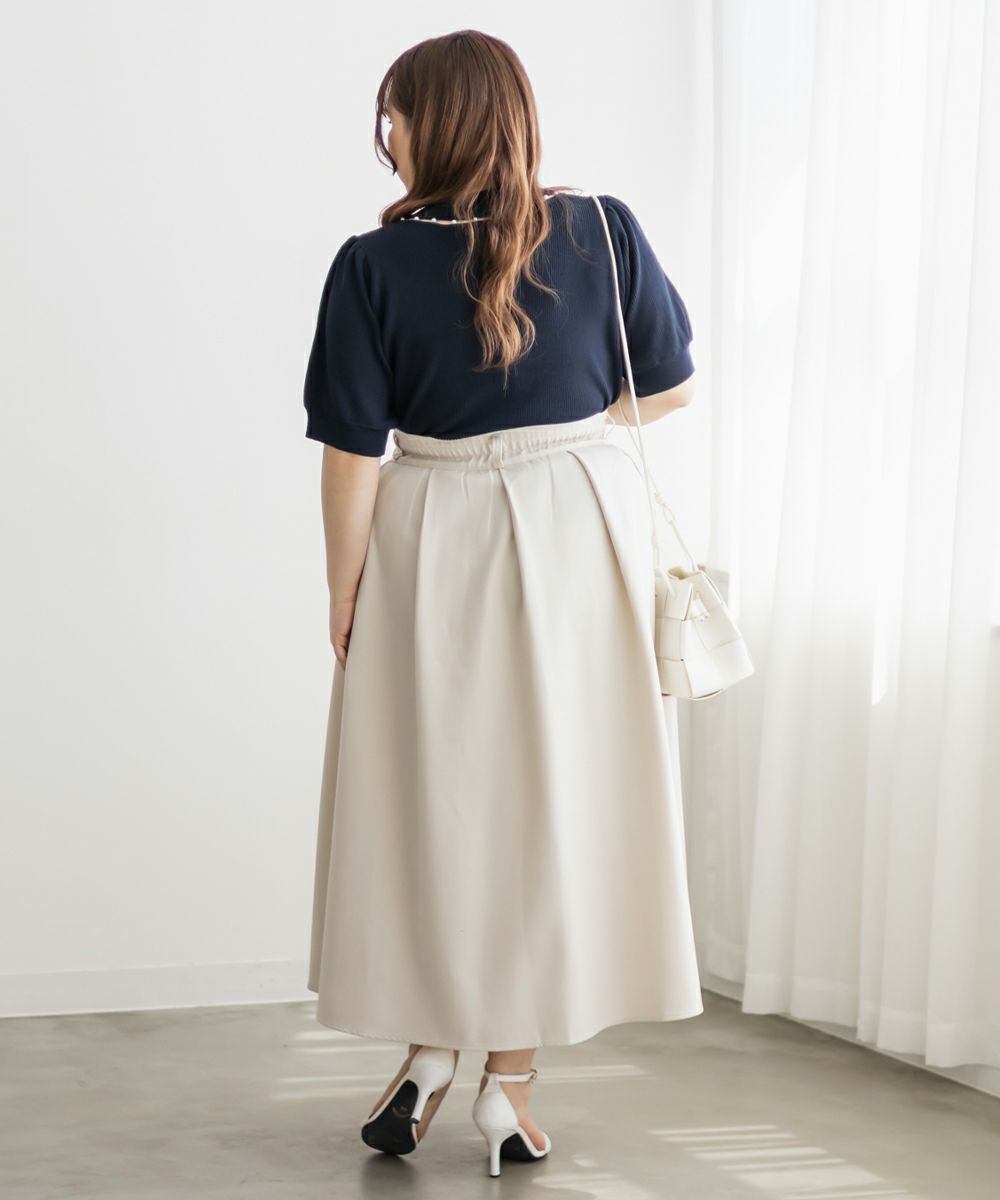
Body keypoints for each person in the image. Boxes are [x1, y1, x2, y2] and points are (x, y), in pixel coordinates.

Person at [302, 29, 703, 1179]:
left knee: (434, 802)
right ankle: (506, 1084)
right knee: (548, 805)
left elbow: (351, 453)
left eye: (394, 115)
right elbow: (667, 389)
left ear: (430, 124)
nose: (386, 136)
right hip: (575, 537)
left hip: (430, 534)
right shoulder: (600, 229)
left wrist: (344, 590)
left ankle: (430, 1050)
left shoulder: (369, 265)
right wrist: (562, 434)